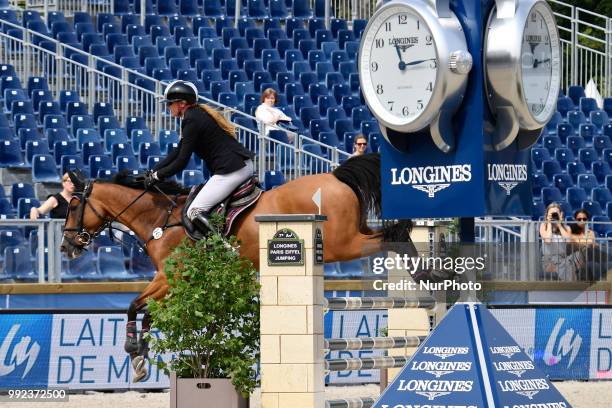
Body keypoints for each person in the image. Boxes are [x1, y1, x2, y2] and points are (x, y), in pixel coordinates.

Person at [146, 80, 255, 235]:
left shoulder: (191, 119)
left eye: (170, 103)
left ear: (182, 104)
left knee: (194, 211)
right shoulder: (195, 115)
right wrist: (153, 171)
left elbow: (181, 161)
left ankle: (223, 248)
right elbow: (178, 151)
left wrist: (158, 176)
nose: (168, 107)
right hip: (239, 165)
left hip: (232, 170)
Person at [539, 203, 581, 281]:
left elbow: (568, 240)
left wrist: (559, 225)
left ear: (561, 214)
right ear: (547, 215)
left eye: (556, 214)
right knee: (568, 266)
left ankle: (567, 281)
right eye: (552, 214)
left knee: (579, 255)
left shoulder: (566, 228)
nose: (554, 216)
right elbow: (547, 240)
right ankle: (572, 284)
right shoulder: (543, 226)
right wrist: (549, 223)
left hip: (563, 258)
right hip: (550, 259)